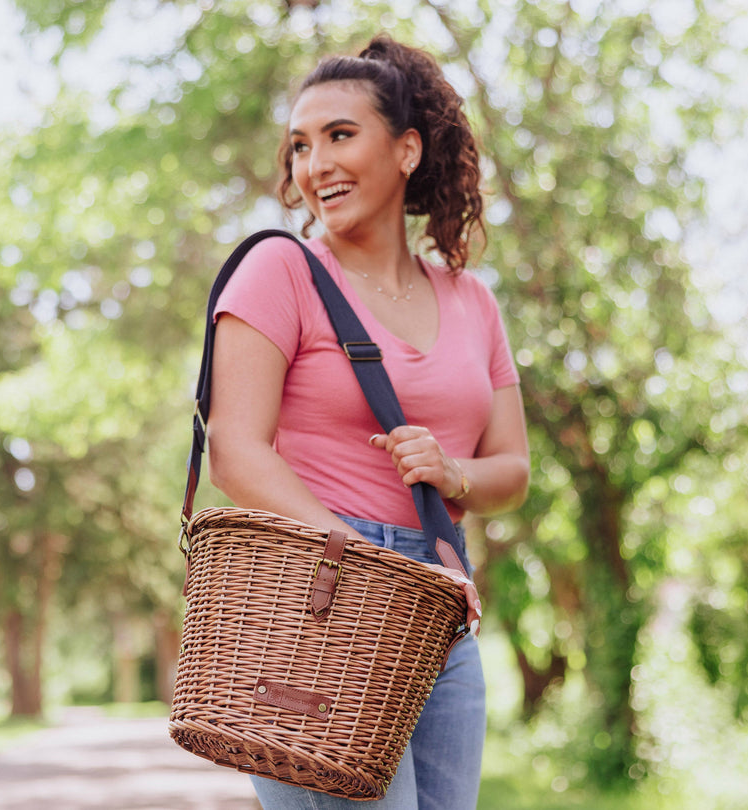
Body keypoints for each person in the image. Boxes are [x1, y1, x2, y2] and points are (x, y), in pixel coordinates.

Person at [205, 34, 530, 810]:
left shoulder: (471, 300)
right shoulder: (281, 270)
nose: (315, 166)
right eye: (300, 146)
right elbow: (234, 451)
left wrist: (454, 475)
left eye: (340, 136)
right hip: (320, 596)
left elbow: (512, 471)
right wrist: (350, 557)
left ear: (407, 149)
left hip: (440, 605)